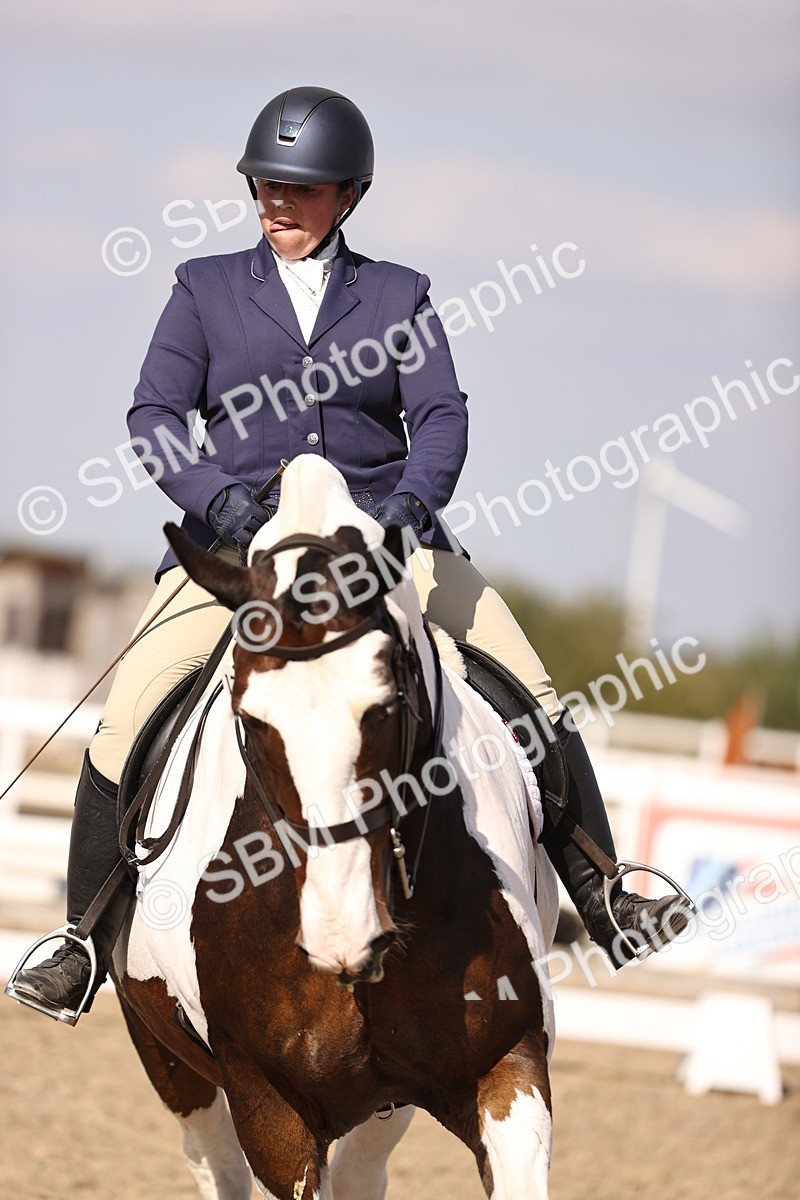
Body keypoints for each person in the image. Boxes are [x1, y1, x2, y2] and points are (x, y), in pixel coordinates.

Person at [11, 86, 692, 1022]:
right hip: (245, 553)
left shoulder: (400, 294)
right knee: (130, 711)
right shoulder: (204, 288)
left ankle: (609, 895)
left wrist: (405, 512)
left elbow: (442, 417)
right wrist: (224, 508)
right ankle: (82, 941)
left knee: (529, 689)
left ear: (350, 194)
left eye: (302, 187)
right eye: (264, 185)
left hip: (390, 546)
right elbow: (154, 415)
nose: (277, 202)